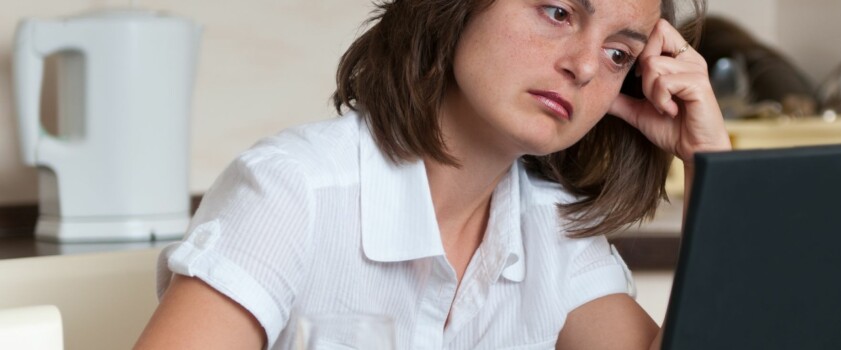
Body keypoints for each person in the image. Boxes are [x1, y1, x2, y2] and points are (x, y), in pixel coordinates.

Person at [135, 0, 728, 348]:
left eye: (619, 55)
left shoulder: (554, 234)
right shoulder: (293, 192)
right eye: (557, 12)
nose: (582, 66)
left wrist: (711, 164)